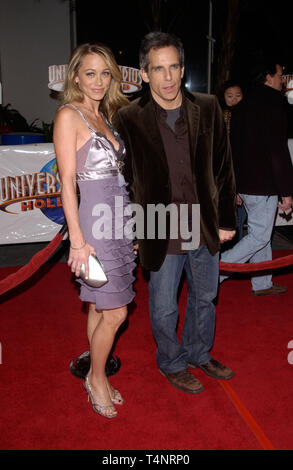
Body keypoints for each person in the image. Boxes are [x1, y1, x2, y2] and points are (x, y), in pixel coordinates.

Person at [113, 32, 237, 394]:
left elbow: (223, 167)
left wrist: (227, 219)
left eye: (173, 68)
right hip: (159, 224)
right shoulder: (128, 118)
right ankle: (171, 361)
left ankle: (199, 352)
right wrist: (131, 232)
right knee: (164, 305)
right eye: (158, 69)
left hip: (203, 221)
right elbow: (124, 181)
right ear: (145, 74)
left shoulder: (209, 106)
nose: (167, 78)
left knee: (205, 297)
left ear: (182, 70)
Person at [53, 43, 136, 418]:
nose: (99, 81)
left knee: (97, 305)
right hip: (92, 223)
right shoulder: (69, 115)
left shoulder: (106, 115)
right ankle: (97, 378)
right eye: (90, 73)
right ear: (75, 77)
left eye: (105, 73)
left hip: (117, 219)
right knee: (117, 312)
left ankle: (95, 370)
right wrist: (78, 241)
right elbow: (67, 181)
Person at [220, 63, 293, 295]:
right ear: (268, 77)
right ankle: (214, 272)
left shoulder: (243, 106)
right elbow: (277, 150)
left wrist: (236, 186)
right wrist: (287, 190)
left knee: (260, 234)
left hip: (246, 183)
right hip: (263, 185)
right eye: (280, 75)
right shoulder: (272, 104)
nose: (283, 80)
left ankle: (262, 283)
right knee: (260, 236)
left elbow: (234, 149)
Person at [219, 80, 246, 242]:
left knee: (240, 219)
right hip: (226, 172)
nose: (234, 100)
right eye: (230, 96)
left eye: (238, 96)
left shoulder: (248, 115)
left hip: (241, 173)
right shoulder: (221, 115)